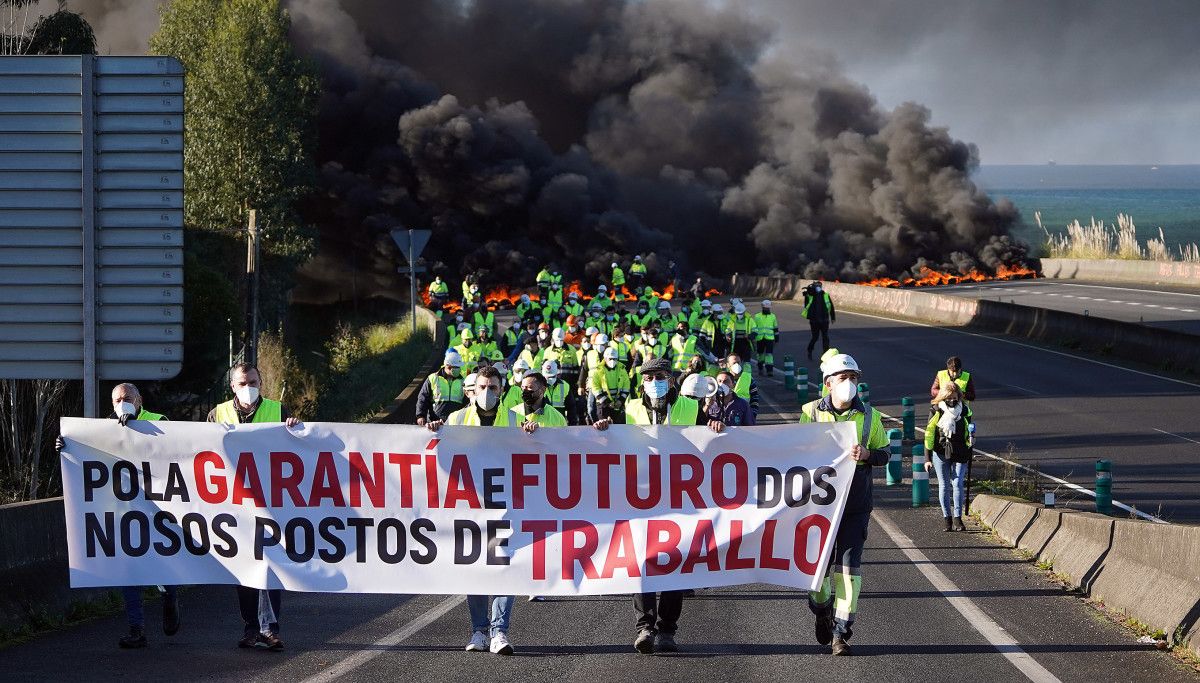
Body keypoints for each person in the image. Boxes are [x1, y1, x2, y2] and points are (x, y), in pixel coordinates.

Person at [593, 358, 721, 654]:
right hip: (641, 496)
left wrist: (715, 426)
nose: (654, 382)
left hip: (681, 498)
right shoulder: (632, 408)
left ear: (672, 380)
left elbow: (711, 444)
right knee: (642, 562)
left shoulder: (689, 408)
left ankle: (667, 629)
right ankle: (645, 627)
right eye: (648, 377)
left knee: (675, 563)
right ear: (641, 382)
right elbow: (617, 444)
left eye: (660, 376)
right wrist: (603, 429)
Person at [72, 384, 182, 648]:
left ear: (139, 400)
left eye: (128, 398)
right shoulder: (104, 427)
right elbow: (85, 456)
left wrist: (136, 428)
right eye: (118, 400)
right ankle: (137, 629)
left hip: (157, 509)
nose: (123, 403)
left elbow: (173, 452)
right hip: (123, 509)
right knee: (128, 571)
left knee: (161, 564)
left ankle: (169, 596)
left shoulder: (159, 421)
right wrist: (65, 446)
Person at [799, 354, 888, 656]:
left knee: (848, 570)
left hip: (855, 506)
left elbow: (885, 452)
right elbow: (794, 453)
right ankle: (821, 610)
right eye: (843, 378)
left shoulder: (871, 416)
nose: (849, 384)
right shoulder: (810, 412)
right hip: (819, 508)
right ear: (828, 383)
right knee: (819, 571)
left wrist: (868, 455)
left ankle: (841, 633)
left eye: (854, 378)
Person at [208, 363, 300, 651]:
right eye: (243, 382)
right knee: (245, 569)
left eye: (253, 381)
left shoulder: (278, 410)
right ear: (232, 386)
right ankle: (251, 627)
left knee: (271, 567)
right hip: (234, 506)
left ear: (261, 382)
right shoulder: (217, 414)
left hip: (271, 503)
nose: (249, 386)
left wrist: (297, 431)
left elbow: (298, 449)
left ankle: (270, 629)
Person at [427, 366, 519, 655]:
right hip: (470, 505)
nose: (487, 392)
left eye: (493, 387)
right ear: (472, 390)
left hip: (505, 504)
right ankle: (479, 630)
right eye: (482, 387)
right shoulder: (456, 419)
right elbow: (437, 451)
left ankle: (499, 632)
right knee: (476, 566)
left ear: (501, 389)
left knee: (507, 566)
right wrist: (432, 432)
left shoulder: (515, 419)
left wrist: (532, 433)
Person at [925, 383, 973, 531]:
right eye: (948, 398)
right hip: (941, 451)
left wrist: (971, 440)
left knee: (957, 483)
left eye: (954, 398)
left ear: (959, 397)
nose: (952, 401)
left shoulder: (965, 410)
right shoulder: (936, 411)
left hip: (961, 451)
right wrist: (927, 459)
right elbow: (929, 434)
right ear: (943, 397)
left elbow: (969, 430)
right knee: (944, 485)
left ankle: (958, 519)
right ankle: (947, 519)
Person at [415, 351, 466, 425]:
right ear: (448, 366)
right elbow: (423, 398)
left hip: (455, 424)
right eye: (457, 367)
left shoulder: (463, 381)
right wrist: (420, 415)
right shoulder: (433, 378)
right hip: (434, 423)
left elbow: (466, 401)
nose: (459, 369)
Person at [802, 281, 835, 360]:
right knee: (815, 337)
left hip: (824, 320)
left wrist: (833, 317)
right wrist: (809, 292)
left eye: (820, 286)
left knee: (825, 337)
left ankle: (825, 355)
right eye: (817, 286)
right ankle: (810, 350)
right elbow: (806, 304)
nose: (818, 287)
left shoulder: (826, 295)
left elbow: (831, 306)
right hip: (814, 321)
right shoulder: (810, 296)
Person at [724, 354, 760, 421]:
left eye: (738, 362)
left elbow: (755, 398)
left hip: (745, 416)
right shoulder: (723, 379)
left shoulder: (748, 378)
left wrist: (753, 415)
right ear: (728, 365)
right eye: (734, 363)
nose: (737, 365)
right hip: (727, 418)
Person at [753, 300, 780, 376]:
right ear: (762, 307)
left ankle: (769, 370)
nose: (766, 309)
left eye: (768, 308)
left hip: (769, 339)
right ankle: (760, 368)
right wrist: (753, 338)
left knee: (769, 355)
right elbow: (754, 328)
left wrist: (777, 338)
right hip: (760, 339)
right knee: (760, 354)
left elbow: (775, 328)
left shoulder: (773, 316)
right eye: (765, 308)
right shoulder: (757, 316)